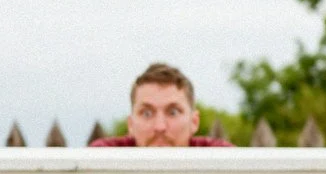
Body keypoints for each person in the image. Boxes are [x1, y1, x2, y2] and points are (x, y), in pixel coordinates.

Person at [91, 62, 234, 147]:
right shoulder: (99, 161)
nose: (160, 127)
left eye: (173, 112)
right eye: (147, 113)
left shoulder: (225, 162)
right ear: (131, 124)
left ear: (194, 121)